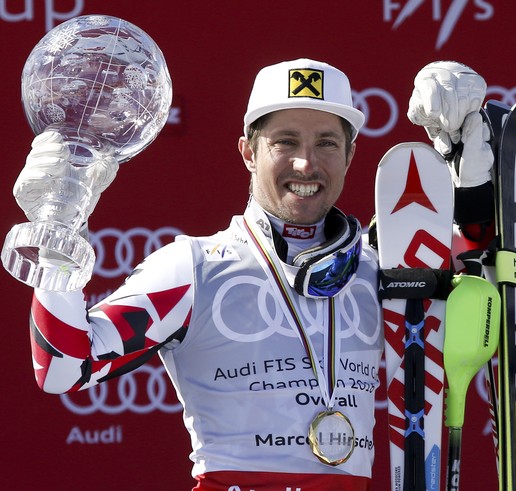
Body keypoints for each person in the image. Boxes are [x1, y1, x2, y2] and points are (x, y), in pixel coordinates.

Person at [14, 58, 489, 490]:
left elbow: (515, 307)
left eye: (327, 142)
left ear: (349, 155)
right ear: (247, 151)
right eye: (284, 142)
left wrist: (465, 159)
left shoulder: (384, 267)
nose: (306, 163)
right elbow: (62, 368)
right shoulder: (195, 267)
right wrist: (56, 233)